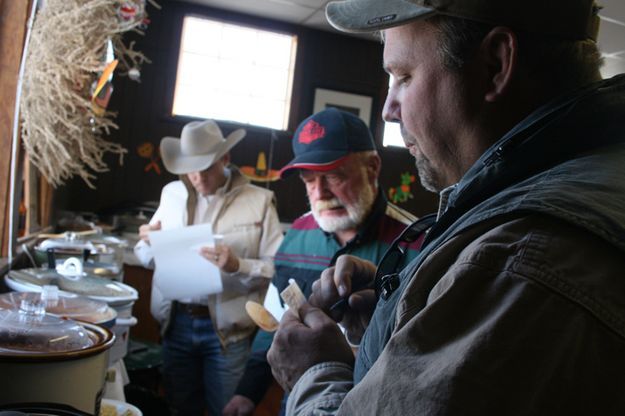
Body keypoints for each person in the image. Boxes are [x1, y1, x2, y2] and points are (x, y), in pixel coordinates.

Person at [267, 0, 625, 415]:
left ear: (495, 63)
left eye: (403, 76)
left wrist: (316, 374)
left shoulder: (520, 259)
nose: (389, 109)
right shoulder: (582, 181)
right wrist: (400, 309)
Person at [222, 108, 425, 416]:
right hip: (300, 400)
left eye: (334, 176)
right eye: (309, 180)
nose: (321, 193)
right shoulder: (295, 237)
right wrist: (247, 393)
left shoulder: (417, 243)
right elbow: (274, 322)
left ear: (372, 167)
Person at [133, 120, 284, 416]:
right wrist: (150, 242)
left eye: (206, 168)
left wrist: (237, 264)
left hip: (228, 333)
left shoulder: (260, 201)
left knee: (227, 411)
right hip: (175, 322)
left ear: (225, 159)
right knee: (178, 408)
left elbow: (276, 269)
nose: (197, 177)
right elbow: (143, 256)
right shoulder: (171, 194)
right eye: (191, 169)